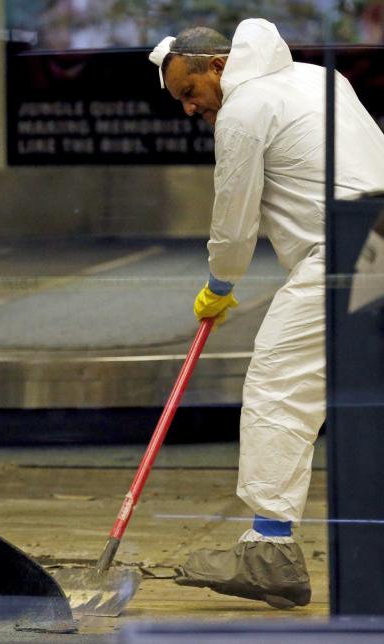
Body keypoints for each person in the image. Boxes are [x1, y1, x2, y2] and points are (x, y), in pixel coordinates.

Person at [149, 19, 384, 608]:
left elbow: (234, 218)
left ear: (219, 66)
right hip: (371, 238)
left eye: (189, 92)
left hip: (342, 257)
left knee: (279, 386)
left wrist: (219, 283)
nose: (188, 108)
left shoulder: (244, 109)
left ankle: (269, 552)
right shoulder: (320, 78)